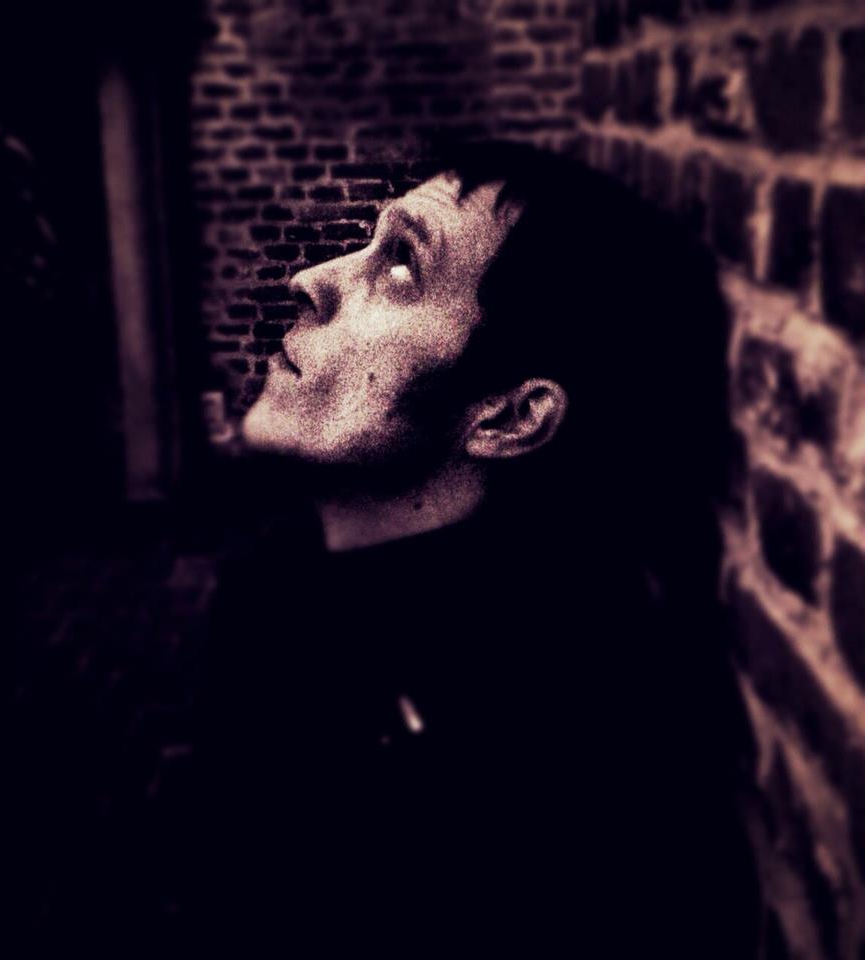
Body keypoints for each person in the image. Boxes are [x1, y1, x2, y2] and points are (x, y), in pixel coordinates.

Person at [198, 140, 760, 957]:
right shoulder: (273, 584)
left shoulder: (557, 764)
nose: (313, 280)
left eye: (401, 268)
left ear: (509, 417)